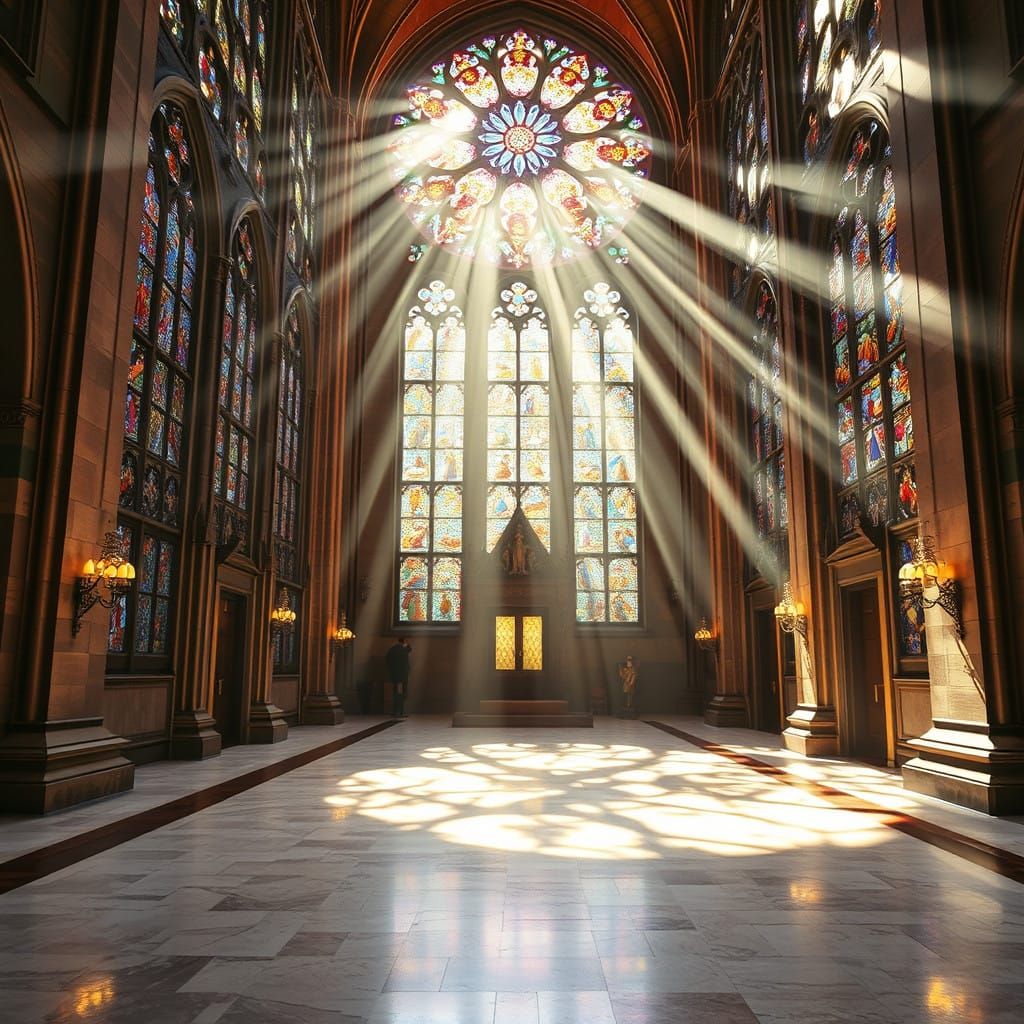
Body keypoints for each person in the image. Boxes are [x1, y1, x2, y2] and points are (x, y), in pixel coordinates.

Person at [386, 637, 412, 717]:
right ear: (403, 642)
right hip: (403, 675)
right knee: (401, 693)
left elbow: (387, 660)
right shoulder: (403, 649)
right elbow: (410, 649)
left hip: (395, 675)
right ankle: (400, 712)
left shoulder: (392, 649)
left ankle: (395, 711)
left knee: (396, 693)